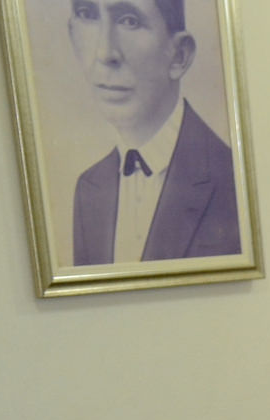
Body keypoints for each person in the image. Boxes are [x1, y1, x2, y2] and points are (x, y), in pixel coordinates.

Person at [66, 0, 240, 266]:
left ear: (179, 56)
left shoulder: (232, 180)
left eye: (129, 20)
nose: (104, 52)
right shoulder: (89, 188)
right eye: (87, 14)